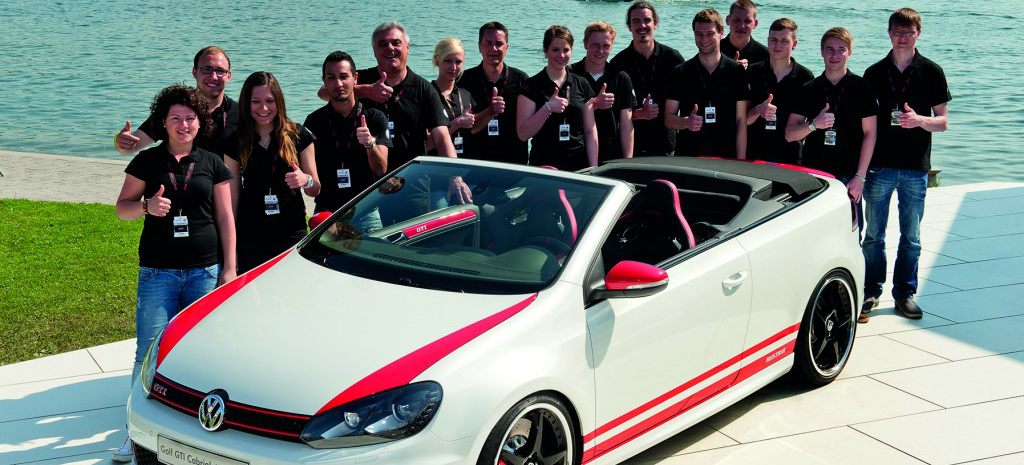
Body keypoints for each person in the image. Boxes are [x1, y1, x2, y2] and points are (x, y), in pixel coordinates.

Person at [112, 84, 236, 462]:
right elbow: (122, 208)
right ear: (163, 124)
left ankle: (194, 431)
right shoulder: (147, 161)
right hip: (158, 272)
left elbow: (226, 218)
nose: (184, 125)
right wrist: (146, 207)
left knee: (197, 353)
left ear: (200, 123)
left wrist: (230, 269)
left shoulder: (212, 162)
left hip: (204, 271)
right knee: (147, 352)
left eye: (190, 118)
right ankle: (134, 433)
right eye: (175, 119)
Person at [860, 8, 950, 322]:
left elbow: (942, 122)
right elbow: (863, 122)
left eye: (908, 32)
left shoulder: (932, 71)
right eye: (897, 31)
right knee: (873, 235)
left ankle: (904, 294)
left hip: (915, 166)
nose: (902, 37)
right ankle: (870, 291)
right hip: (880, 166)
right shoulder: (874, 72)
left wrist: (919, 120)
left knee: (911, 237)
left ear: (918, 34)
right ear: (889, 33)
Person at [225, 72, 320, 273]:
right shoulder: (236, 140)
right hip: (251, 232)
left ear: (279, 102)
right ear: (246, 103)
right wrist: (231, 252)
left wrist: (305, 180)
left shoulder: (298, 134)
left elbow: (315, 189)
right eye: (256, 101)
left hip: (291, 229)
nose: (264, 108)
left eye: (270, 101)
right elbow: (232, 198)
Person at [785, 27, 877, 226]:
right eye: (829, 49)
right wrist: (813, 125)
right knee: (815, 231)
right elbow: (790, 134)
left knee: (851, 233)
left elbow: (870, 133)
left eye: (841, 49)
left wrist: (860, 176)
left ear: (849, 52)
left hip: (849, 175)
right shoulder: (809, 88)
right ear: (821, 52)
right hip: (814, 174)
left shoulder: (862, 88)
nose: (835, 55)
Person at [353, 21, 456, 167]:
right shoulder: (360, 80)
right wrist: (366, 91)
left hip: (412, 176)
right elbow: (326, 92)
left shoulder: (425, 89)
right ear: (374, 51)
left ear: (407, 48)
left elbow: (442, 139)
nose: (390, 48)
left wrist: (454, 174)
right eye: (383, 44)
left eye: (396, 43)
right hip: (370, 177)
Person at [303, 51, 391, 218]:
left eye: (344, 77)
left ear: (355, 78)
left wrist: (370, 144)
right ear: (324, 81)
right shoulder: (314, 121)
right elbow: (308, 175)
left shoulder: (373, 117)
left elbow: (381, 169)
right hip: (326, 211)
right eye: (331, 78)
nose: (338, 83)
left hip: (366, 210)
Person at [115, 46, 238, 157]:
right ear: (194, 72)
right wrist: (120, 141)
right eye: (206, 69)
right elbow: (128, 149)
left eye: (220, 71)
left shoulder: (239, 113)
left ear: (229, 76)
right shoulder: (175, 109)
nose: (213, 76)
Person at [665, 8, 749, 158]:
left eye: (710, 34)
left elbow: (741, 121)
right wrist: (686, 122)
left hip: (726, 156)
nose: (704, 40)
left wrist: (741, 161)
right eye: (699, 34)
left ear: (721, 32)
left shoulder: (736, 71)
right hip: (689, 156)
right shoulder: (681, 71)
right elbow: (668, 118)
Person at [609, 1, 685, 157]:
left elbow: (689, 98)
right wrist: (638, 114)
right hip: (631, 148)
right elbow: (611, 115)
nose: (642, 25)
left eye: (647, 20)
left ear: (655, 24)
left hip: (667, 147)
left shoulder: (673, 58)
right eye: (636, 21)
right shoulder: (618, 63)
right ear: (629, 26)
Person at [517, 25, 598, 171]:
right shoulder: (531, 85)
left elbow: (590, 131)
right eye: (555, 50)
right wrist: (547, 108)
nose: (561, 55)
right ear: (545, 51)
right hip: (543, 166)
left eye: (566, 50)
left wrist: (593, 168)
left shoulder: (582, 84)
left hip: (578, 166)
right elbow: (523, 134)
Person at [458, 22, 531, 164]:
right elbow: (463, 127)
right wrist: (489, 112)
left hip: (514, 161)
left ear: (506, 47)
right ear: (479, 46)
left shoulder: (522, 80)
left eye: (499, 44)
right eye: (488, 43)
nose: (494, 48)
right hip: (475, 161)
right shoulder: (464, 80)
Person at [746, 18, 814, 164]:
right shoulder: (753, 71)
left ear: (794, 44)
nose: (777, 45)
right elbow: (742, 120)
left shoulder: (805, 77)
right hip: (754, 155)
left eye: (784, 41)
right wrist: (758, 110)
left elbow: (804, 127)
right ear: (768, 41)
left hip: (789, 157)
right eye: (773, 40)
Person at [568, 21, 636, 161]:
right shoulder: (570, 74)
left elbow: (626, 124)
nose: (600, 51)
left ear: (612, 46)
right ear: (585, 44)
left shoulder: (621, 77)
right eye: (595, 45)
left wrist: (627, 161)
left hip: (611, 155)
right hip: (575, 154)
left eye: (606, 46)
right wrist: (593, 104)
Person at [429, 38, 477, 157]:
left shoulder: (465, 94)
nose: (453, 67)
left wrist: (491, 111)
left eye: (458, 62)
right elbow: (425, 143)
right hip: (435, 164)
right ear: (436, 60)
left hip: (464, 162)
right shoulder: (427, 95)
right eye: (448, 61)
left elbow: (474, 127)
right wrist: (457, 123)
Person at [720, 0, 770, 68]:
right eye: (736, 20)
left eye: (747, 21)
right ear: (728, 20)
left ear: (755, 23)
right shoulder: (714, 50)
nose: (742, 26)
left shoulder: (766, 55)